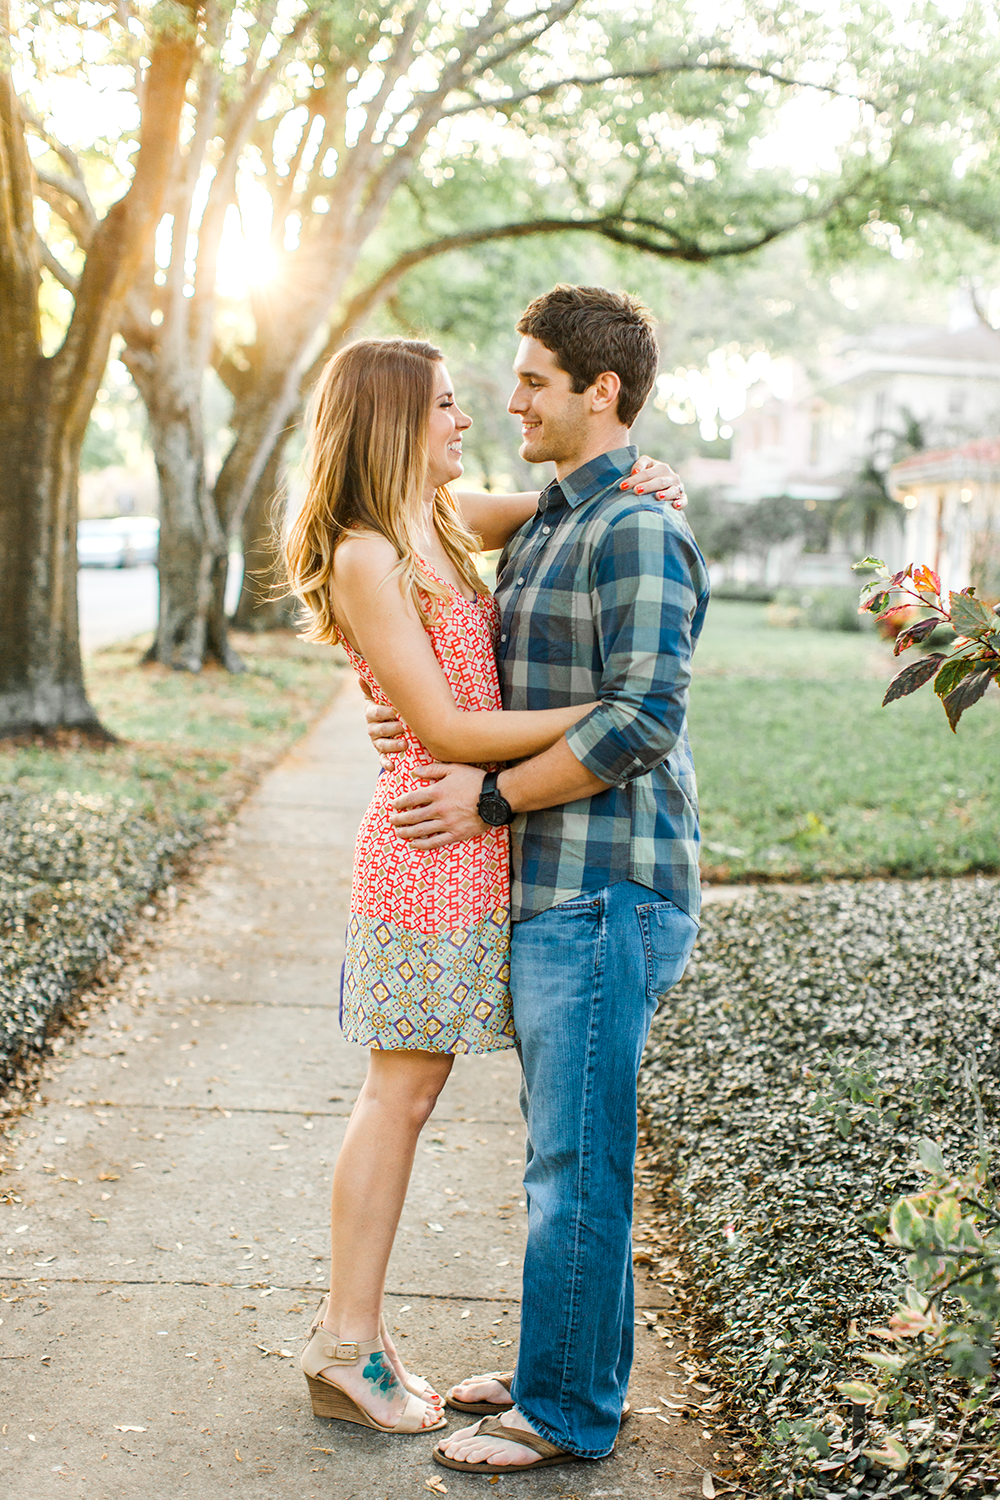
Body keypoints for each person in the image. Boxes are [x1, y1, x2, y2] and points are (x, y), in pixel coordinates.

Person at [282, 335, 686, 1437]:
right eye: (449, 405)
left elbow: (552, 503)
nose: (472, 418)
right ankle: (345, 1343)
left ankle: (359, 1340)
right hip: (424, 851)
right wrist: (618, 712)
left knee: (411, 1098)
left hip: (474, 845)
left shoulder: (440, 523)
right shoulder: (370, 551)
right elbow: (450, 727)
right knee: (397, 1097)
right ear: (393, 421)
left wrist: (634, 476)